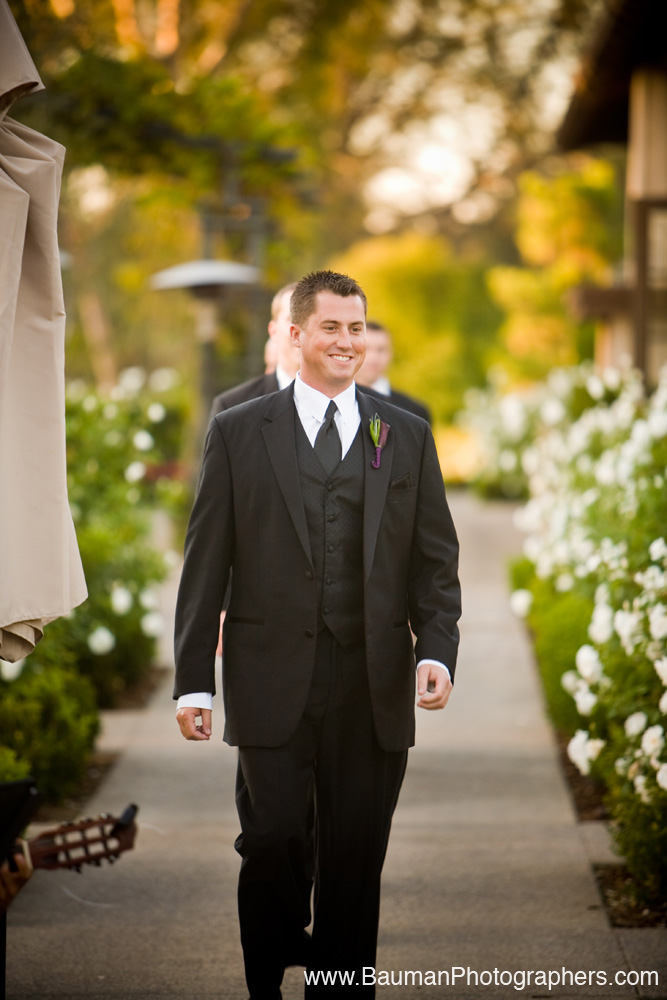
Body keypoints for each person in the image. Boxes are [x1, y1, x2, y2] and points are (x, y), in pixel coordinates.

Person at [174, 269, 461, 998]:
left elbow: (435, 561)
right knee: (270, 840)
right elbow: (205, 563)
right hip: (269, 676)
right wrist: (190, 684)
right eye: (331, 327)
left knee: (355, 860)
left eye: (356, 327)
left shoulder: (404, 434)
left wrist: (436, 650)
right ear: (294, 335)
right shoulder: (238, 431)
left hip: (372, 684)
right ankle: (267, 977)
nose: (346, 341)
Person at [209, 282, 299, 416]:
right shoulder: (232, 408)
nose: (303, 330)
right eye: (293, 319)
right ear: (273, 331)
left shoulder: (340, 400)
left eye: (313, 321)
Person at [357, 320, 432, 423]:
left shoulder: (415, 412)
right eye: (367, 349)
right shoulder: (336, 403)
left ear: (391, 353)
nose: (374, 357)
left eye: (381, 350)